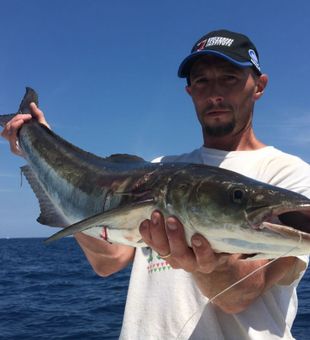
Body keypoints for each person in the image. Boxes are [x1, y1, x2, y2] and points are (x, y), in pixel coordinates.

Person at [2, 29, 310, 339]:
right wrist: (43, 147)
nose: (215, 93)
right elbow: (108, 261)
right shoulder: (158, 168)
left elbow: (239, 296)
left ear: (259, 86)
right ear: (190, 91)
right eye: (202, 80)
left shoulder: (291, 176)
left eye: (229, 78)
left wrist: (206, 265)